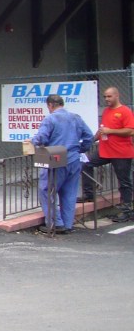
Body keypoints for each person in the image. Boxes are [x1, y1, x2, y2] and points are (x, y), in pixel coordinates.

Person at [29, 94, 94, 234]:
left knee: (47, 190)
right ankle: (67, 224)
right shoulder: (76, 117)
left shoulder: (50, 119)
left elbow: (41, 138)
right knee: (69, 192)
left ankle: (56, 223)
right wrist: (80, 150)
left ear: (50, 105)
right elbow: (89, 137)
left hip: (56, 159)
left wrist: (33, 141)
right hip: (74, 159)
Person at [82, 86, 134, 221]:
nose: (106, 99)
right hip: (105, 150)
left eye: (109, 96)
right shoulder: (106, 111)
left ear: (117, 96)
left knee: (124, 182)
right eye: (105, 96)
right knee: (85, 163)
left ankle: (127, 210)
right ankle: (89, 194)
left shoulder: (125, 111)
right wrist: (91, 141)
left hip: (121, 152)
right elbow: (102, 130)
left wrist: (111, 131)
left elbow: (130, 131)